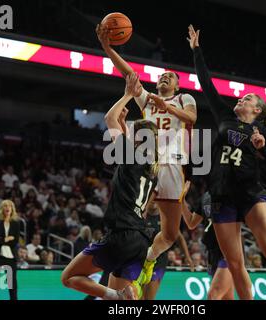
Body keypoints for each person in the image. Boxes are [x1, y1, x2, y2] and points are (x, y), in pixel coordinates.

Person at [188, 25, 266, 300]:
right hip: (221, 196)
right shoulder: (225, 116)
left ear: (257, 110)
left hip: (250, 193)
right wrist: (196, 51)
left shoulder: (263, 132)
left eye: (247, 98)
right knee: (235, 263)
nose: (241, 98)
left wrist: (264, 150)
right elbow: (206, 84)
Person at [96, 24, 197, 289]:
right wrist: (108, 48)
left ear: (177, 84)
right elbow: (129, 74)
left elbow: (192, 118)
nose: (165, 78)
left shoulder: (185, 98)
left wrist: (169, 109)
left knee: (171, 234)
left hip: (173, 164)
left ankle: (151, 257)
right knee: (132, 218)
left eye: (170, 77)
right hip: (147, 163)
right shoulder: (148, 99)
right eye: (162, 76)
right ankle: (127, 268)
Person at [61, 73, 159, 300]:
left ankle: (115, 295)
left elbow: (108, 118)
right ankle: (120, 296)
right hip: (139, 241)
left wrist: (127, 95)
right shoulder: (152, 168)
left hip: (121, 235)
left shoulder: (132, 157)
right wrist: (125, 125)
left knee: (69, 278)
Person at [181, 186, 235, 300]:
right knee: (227, 298)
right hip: (212, 252)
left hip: (229, 251)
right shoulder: (206, 197)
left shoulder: (232, 191)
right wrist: (181, 200)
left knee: (213, 295)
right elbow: (191, 223)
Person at [141, 200, 194, 300]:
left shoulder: (164, 216)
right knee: (138, 296)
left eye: (155, 196)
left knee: (148, 298)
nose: (152, 200)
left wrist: (187, 257)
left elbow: (179, 237)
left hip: (158, 261)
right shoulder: (141, 214)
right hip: (141, 260)